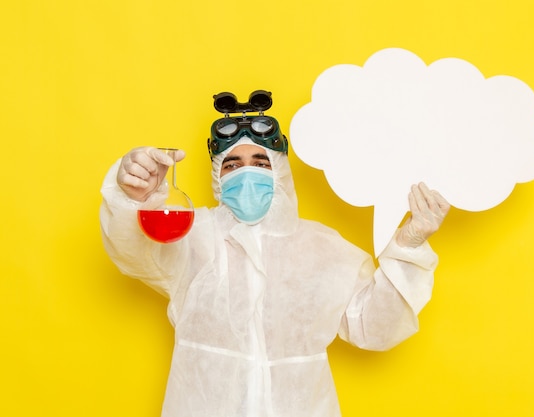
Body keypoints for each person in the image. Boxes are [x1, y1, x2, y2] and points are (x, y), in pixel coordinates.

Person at [99, 100, 450, 417]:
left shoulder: (323, 248)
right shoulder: (193, 237)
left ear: (280, 170)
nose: (246, 174)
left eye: (260, 162)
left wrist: (407, 245)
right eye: (232, 164)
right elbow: (133, 251)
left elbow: (375, 327)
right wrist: (134, 197)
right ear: (218, 176)